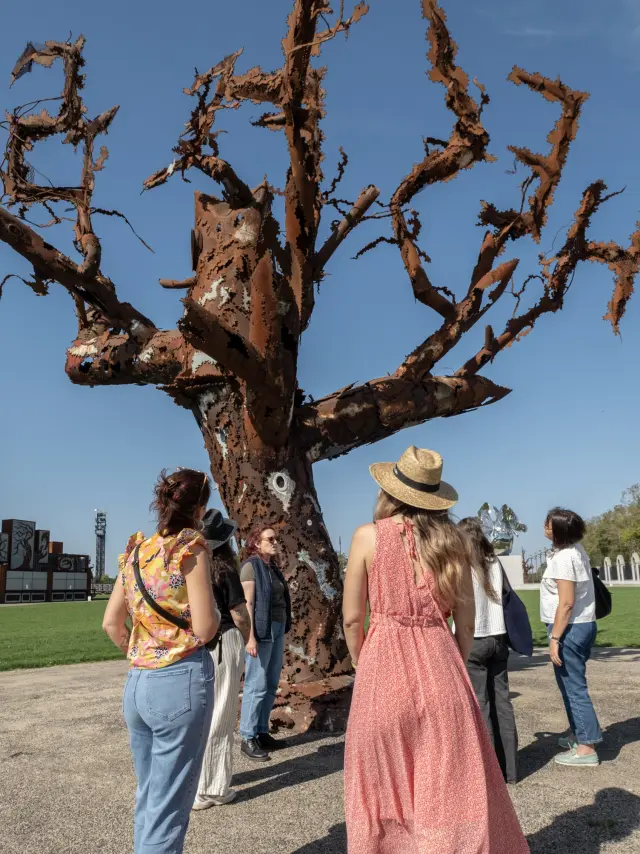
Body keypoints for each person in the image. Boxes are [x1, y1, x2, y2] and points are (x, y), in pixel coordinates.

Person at [343, 447, 529, 854]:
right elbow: (465, 623)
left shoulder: (366, 537)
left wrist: (363, 662)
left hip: (382, 663)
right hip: (439, 659)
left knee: (383, 780)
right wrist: (449, 663)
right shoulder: (455, 542)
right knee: (448, 782)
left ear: (390, 492)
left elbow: (353, 619)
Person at [102, 468, 220, 854]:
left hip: (138, 682)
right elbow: (204, 627)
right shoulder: (190, 546)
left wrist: (143, 653)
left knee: (150, 795)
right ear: (200, 508)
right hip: (179, 679)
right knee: (169, 808)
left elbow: (111, 623)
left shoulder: (136, 550)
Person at [193, 509, 252, 810]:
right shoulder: (224, 570)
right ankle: (212, 787)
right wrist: (247, 636)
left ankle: (199, 780)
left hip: (197, 642)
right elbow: (239, 613)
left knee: (202, 713)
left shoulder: (190, 567)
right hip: (224, 638)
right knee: (223, 712)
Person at [458, 516, 519, 784]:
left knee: (480, 705)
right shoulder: (496, 563)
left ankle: (488, 772)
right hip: (499, 638)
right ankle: (511, 769)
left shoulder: (461, 564)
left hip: (475, 639)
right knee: (502, 702)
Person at [542, 507, 602, 766]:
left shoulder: (564, 558)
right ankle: (580, 734)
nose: (544, 527)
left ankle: (587, 748)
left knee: (574, 687)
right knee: (569, 685)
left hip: (570, 628)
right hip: (581, 625)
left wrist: (555, 638)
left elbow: (566, 603)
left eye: (547, 524)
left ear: (556, 530)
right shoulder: (574, 552)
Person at [238, 526, 292, 761]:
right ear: (256, 543)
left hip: (277, 628)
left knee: (270, 683)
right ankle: (247, 736)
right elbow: (247, 604)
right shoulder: (251, 567)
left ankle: (261, 730)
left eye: (276, 538)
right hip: (261, 631)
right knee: (256, 684)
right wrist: (250, 637)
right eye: (270, 539)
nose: (275, 541)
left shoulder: (273, 569)